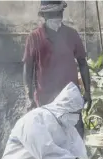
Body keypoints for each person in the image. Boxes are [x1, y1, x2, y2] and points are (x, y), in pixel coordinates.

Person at [23, 0, 92, 140]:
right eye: (51, 14)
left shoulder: (71, 34)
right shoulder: (34, 37)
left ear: (62, 13)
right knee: (49, 137)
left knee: (76, 135)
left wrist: (88, 92)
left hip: (70, 97)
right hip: (45, 98)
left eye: (58, 13)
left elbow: (83, 63)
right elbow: (28, 68)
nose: (56, 17)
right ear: (44, 15)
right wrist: (28, 96)